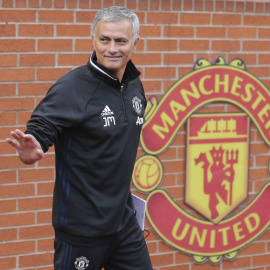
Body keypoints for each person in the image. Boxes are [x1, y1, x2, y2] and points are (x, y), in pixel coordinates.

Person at [6, 6, 153, 270]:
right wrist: (34, 145)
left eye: (121, 40)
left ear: (135, 43)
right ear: (93, 40)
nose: (112, 48)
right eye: (104, 39)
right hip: (80, 230)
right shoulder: (71, 88)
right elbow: (42, 127)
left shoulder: (133, 86)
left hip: (123, 223)